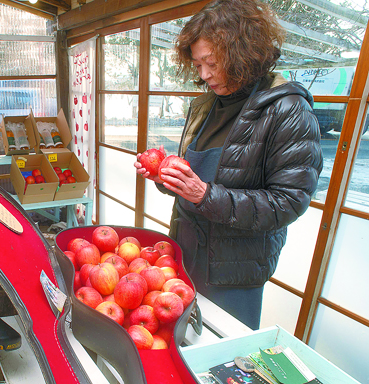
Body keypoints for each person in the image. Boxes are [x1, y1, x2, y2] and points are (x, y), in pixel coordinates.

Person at [134, 0, 323, 330]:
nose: (205, 75)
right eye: (198, 65)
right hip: (185, 253)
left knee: (221, 359)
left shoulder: (287, 110)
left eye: (212, 62)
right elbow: (195, 181)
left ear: (243, 53)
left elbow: (288, 202)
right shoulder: (205, 106)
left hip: (234, 271)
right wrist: (164, 176)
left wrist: (205, 195)